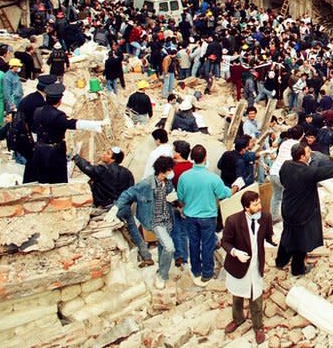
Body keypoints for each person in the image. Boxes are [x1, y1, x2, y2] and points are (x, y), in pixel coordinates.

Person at [275, 143, 333, 276]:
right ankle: (297, 269)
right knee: (301, 240)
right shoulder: (307, 172)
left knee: (287, 235)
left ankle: (281, 261)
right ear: (302, 156)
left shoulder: (286, 166)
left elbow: (282, 180)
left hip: (287, 208)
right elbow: (326, 172)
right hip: (301, 213)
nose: (310, 154)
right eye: (308, 152)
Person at [111, 156, 178, 289]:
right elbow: (128, 194)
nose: (172, 172)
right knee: (169, 247)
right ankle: (162, 276)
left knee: (163, 246)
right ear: (162, 171)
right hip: (155, 220)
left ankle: (161, 269)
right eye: (170, 170)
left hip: (167, 219)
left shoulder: (167, 183)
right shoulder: (146, 184)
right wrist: (116, 207)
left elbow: (169, 195)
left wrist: (173, 199)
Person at [221, 190, 274, 344]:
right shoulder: (233, 221)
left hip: (255, 264)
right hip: (238, 265)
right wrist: (235, 252)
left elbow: (268, 235)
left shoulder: (266, 217)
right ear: (246, 207)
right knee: (237, 294)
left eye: (259, 202)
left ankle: (258, 326)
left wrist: (273, 240)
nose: (259, 207)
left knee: (256, 296)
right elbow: (225, 242)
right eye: (255, 204)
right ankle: (238, 319)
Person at [23, 83, 104, 184]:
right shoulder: (57, 115)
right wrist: (97, 124)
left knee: (40, 179)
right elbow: (72, 124)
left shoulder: (38, 111)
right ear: (60, 101)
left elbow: (34, 128)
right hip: (53, 153)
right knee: (56, 181)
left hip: (39, 150)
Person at [176, 144, 232, 286]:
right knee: (207, 244)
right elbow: (224, 194)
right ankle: (207, 273)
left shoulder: (184, 177)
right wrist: (235, 188)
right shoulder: (213, 178)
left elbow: (180, 197)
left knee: (193, 243)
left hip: (190, 216)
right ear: (205, 157)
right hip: (208, 216)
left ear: (191, 158)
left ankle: (196, 270)